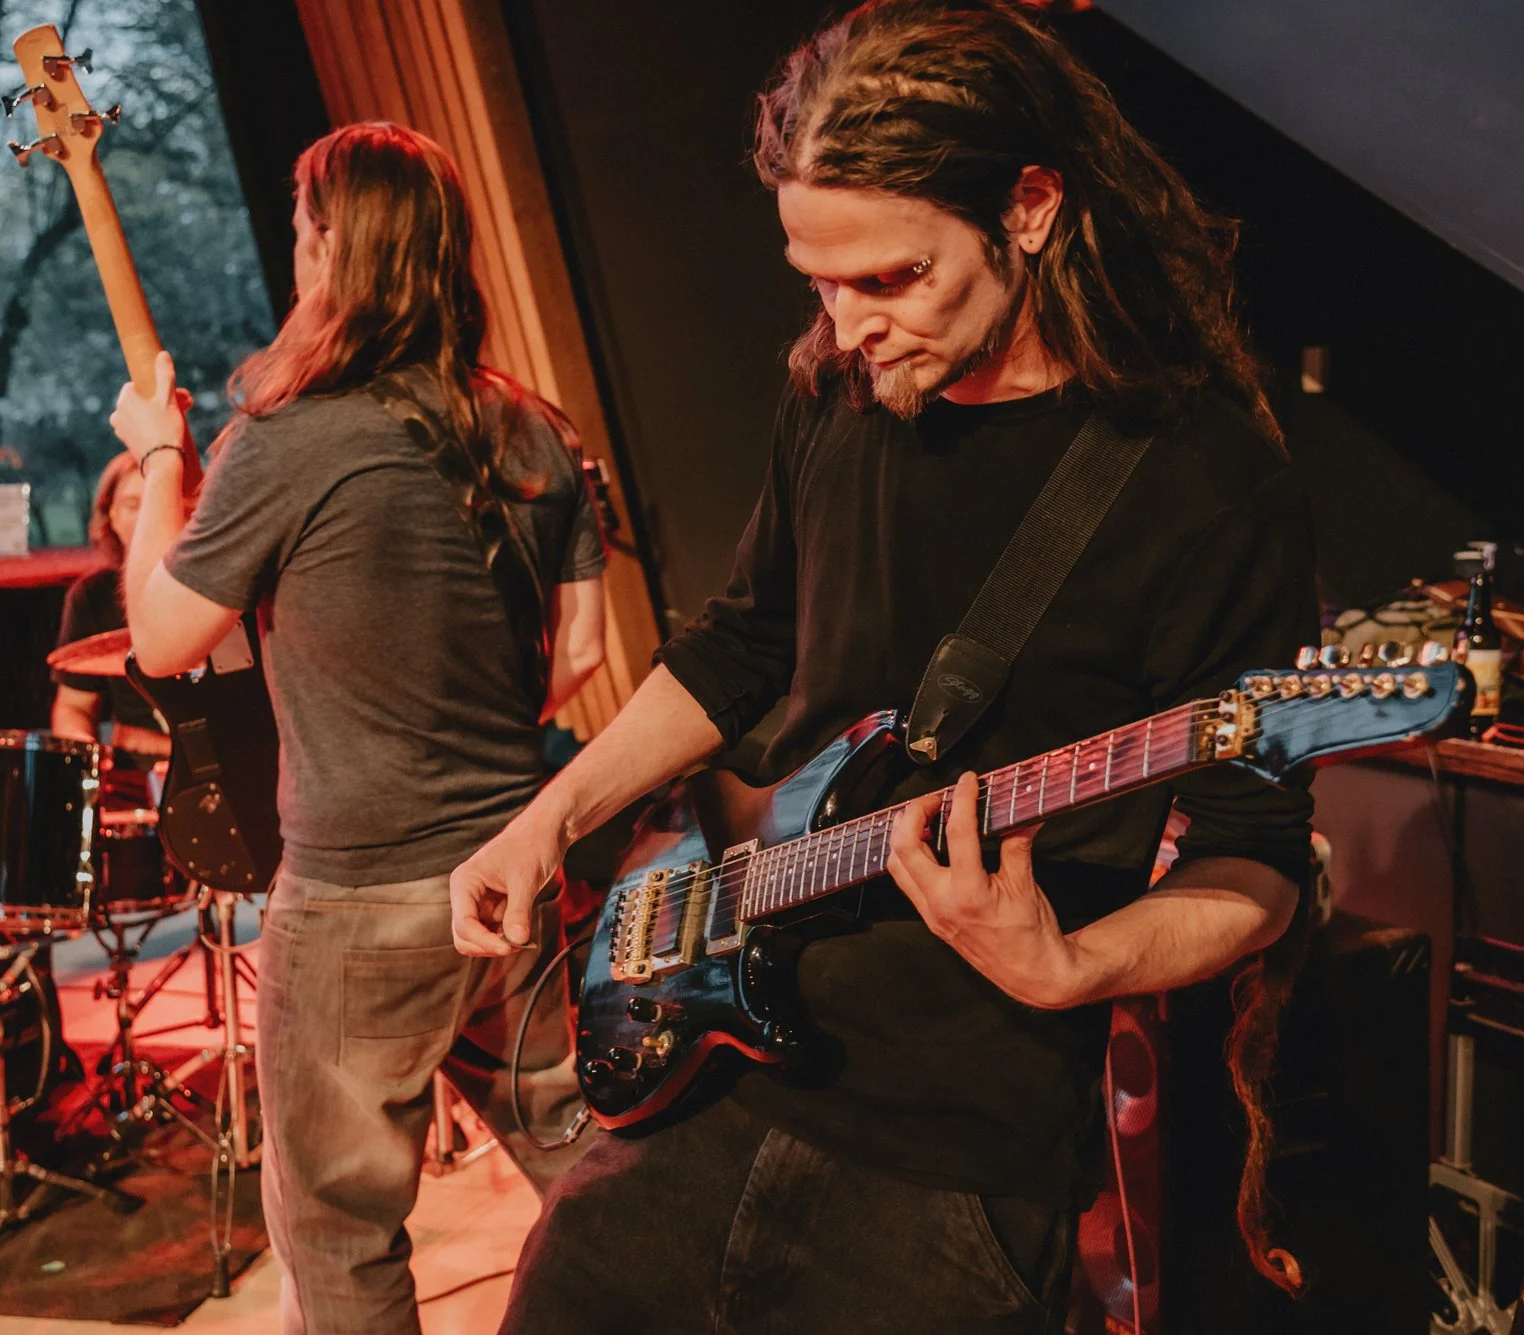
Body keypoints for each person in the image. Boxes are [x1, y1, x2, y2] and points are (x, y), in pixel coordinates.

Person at [452, 2, 1318, 1330]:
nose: (848, 326)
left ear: (1029, 207)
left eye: (891, 280)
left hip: (956, 1173)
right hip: (703, 1088)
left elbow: (1256, 859)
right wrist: (548, 814)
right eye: (820, 281)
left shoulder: (1201, 480)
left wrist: (1075, 964)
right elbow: (742, 640)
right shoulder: (838, 393)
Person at [107, 122, 610, 1335]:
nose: (293, 249)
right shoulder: (534, 429)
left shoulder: (288, 438)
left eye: (300, 227)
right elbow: (586, 655)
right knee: (582, 1178)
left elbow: (163, 640)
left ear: (333, 247)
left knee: (337, 1238)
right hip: (515, 873)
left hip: (353, 901)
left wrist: (162, 455)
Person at [50, 451, 170, 767]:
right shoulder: (92, 595)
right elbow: (74, 706)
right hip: (137, 769)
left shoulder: (219, 586)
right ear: (111, 516)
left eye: (158, 502)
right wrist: (86, 758)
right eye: (133, 505)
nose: (146, 516)